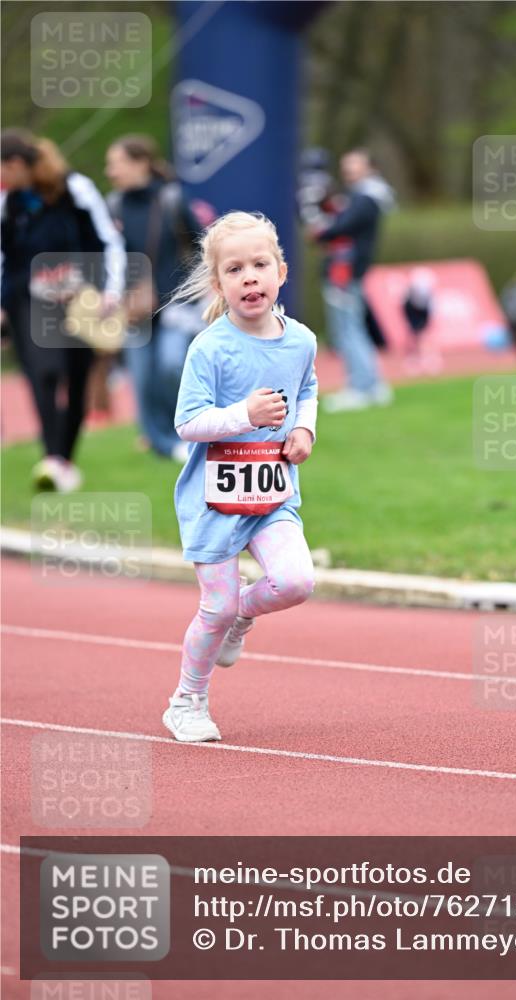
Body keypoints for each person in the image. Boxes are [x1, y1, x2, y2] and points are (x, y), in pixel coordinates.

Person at [162, 211, 318, 742]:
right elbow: (187, 423)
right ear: (219, 283)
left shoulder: (300, 341)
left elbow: (309, 389)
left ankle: (241, 616)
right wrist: (244, 416)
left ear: (281, 271)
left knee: (296, 581)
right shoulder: (209, 348)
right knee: (216, 604)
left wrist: (304, 430)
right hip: (214, 501)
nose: (249, 277)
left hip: (273, 495)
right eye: (234, 269)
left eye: (259, 264)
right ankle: (187, 701)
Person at [0, 129, 125, 491]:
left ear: (17, 165)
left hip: (78, 298)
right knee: (45, 372)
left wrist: (111, 291)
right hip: (27, 297)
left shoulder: (76, 188)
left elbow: (108, 240)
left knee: (76, 376)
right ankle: (52, 456)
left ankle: (64, 459)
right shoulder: (9, 201)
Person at [105, 134, 203, 461]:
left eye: (116, 163)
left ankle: (187, 431)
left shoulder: (172, 199)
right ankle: (163, 443)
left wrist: (197, 295)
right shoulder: (113, 205)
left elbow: (201, 248)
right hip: (133, 309)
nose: (110, 171)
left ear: (140, 163)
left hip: (176, 304)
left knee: (172, 365)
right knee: (143, 379)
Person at [312, 148, 394, 412]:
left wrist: (320, 231)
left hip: (345, 272)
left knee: (347, 329)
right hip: (349, 271)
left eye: (354, 165)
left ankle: (359, 386)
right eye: (346, 166)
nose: (348, 171)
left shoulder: (365, 198)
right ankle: (371, 383)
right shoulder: (365, 196)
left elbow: (341, 227)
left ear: (370, 167)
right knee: (354, 327)